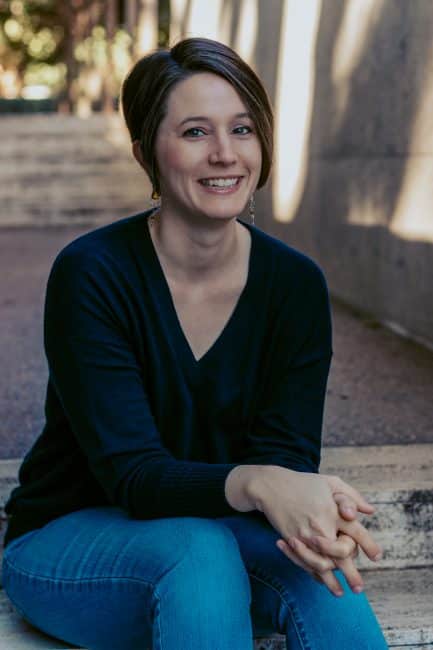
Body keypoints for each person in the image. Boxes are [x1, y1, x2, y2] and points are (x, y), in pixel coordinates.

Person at [2, 37, 388, 649]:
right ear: (145, 154)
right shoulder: (93, 274)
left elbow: (283, 458)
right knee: (198, 548)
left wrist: (310, 507)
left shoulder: (295, 286)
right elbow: (134, 475)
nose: (224, 154)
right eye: (193, 133)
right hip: (71, 543)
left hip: (221, 539)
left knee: (322, 574)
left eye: (241, 128)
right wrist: (258, 483)